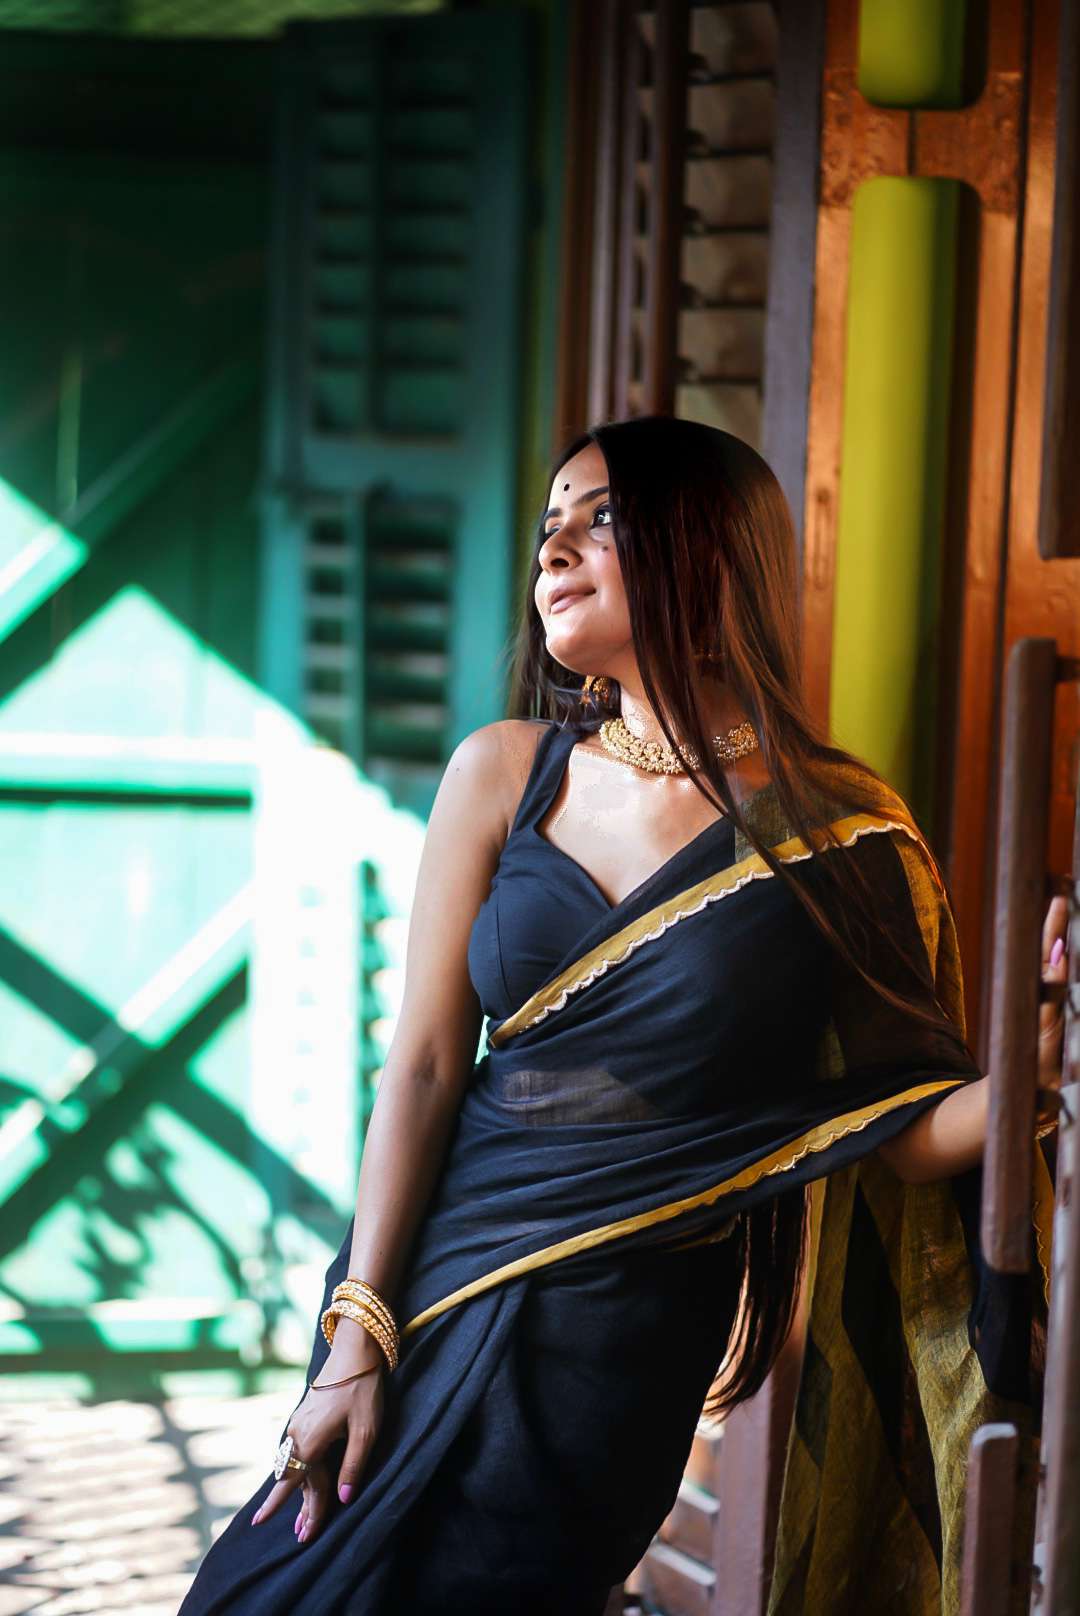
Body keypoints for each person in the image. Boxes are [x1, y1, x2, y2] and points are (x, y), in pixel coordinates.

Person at [180, 417, 1067, 1616]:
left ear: (712, 549)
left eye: (602, 519)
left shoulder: (842, 836)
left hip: (622, 1340)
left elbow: (902, 1129)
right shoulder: (503, 772)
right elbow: (427, 1066)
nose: (554, 549)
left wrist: (1032, 1066)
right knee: (266, 1589)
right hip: (430, 1283)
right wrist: (356, 1334)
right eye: (550, 524)